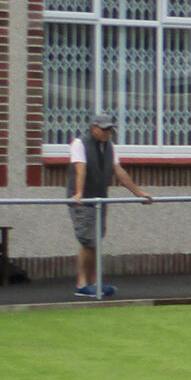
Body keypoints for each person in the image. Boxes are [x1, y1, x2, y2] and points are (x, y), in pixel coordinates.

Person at [67, 110, 153, 299]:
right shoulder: (79, 144)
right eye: (104, 129)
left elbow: (118, 171)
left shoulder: (109, 147)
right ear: (93, 129)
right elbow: (80, 168)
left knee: (95, 240)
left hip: (100, 198)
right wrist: (79, 193)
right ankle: (82, 284)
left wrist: (138, 193)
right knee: (88, 241)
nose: (108, 133)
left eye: (110, 130)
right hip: (84, 200)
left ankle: (95, 282)